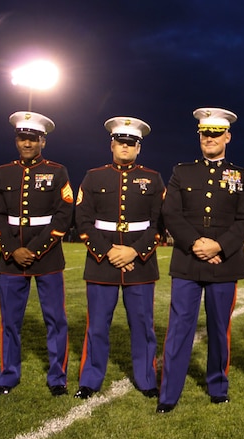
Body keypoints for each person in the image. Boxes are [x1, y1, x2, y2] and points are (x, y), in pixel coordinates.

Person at [157, 107, 244, 413]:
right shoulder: (181, 172)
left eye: (215, 133)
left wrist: (220, 247)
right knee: (179, 327)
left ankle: (217, 386)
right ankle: (169, 393)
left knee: (218, 327)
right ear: (199, 136)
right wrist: (194, 243)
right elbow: (171, 213)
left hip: (224, 262)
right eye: (204, 133)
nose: (209, 138)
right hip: (188, 260)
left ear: (227, 136)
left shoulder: (242, 175)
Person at [73, 117, 165, 400]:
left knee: (142, 325)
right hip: (103, 261)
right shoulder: (93, 176)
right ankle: (90, 379)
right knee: (97, 325)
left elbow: (159, 223)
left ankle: (147, 378)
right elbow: (83, 220)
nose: (125, 147)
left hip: (140, 261)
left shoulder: (153, 178)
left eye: (131, 143)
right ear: (111, 144)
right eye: (121, 142)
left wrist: (134, 251)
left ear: (138, 148)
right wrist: (109, 251)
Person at [0, 111, 74, 397]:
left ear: (43, 141)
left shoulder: (58, 171)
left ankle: (57, 377)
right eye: (22, 138)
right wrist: (13, 249)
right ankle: (8, 375)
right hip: (11, 258)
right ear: (17, 140)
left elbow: (64, 214)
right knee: (10, 321)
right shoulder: (3, 172)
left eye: (33, 139)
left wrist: (34, 249)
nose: (27, 143)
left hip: (47, 257)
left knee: (55, 320)